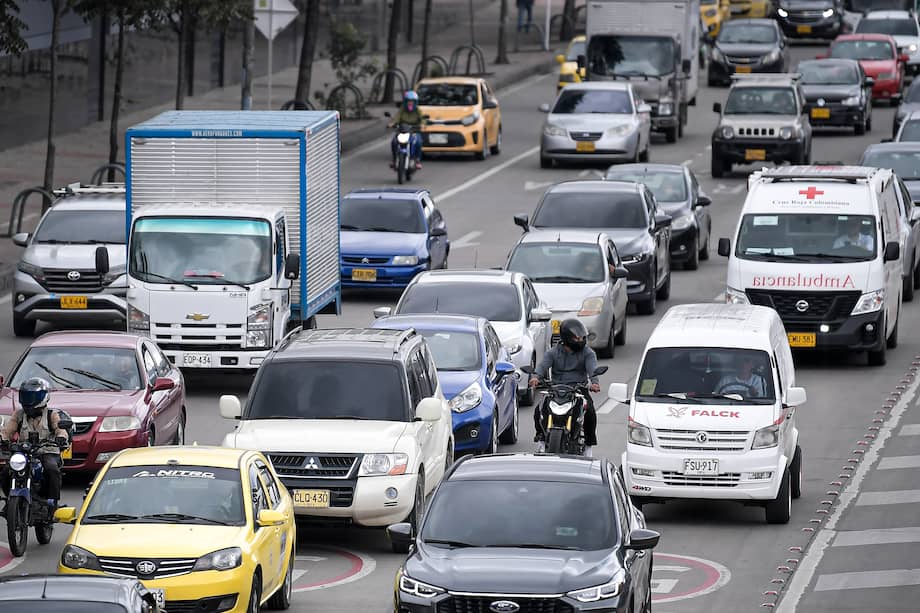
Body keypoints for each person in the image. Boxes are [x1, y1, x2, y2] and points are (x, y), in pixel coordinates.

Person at [529, 319, 601, 457]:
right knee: (539, 410)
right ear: (567, 338)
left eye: (582, 337)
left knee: (590, 412)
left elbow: (592, 369)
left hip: (579, 389)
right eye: (577, 338)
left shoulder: (588, 353)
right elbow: (543, 366)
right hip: (556, 389)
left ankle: (588, 446)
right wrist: (536, 377)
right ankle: (541, 439)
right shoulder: (553, 352)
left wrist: (594, 382)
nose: (580, 340)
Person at [0, 378, 69, 513]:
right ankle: (10, 500)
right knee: (7, 471)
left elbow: (60, 429)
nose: (28, 400)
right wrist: (3, 439)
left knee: (52, 470)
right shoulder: (19, 414)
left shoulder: (52, 415)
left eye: (31, 396)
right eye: (25, 396)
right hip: (24, 452)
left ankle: (53, 504)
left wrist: (61, 437)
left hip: (47, 451)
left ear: (43, 398)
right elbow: (7, 431)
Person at [389, 90, 426, 170]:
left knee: (418, 142)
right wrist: (392, 123)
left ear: (415, 102)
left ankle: (417, 160)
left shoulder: (418, 110)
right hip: (402, 130)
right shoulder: (402, 109)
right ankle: (394, 160)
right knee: (394, 142)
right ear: (405, 102)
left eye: (412, 101)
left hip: (414, 130)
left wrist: (422, 124)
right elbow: (397, 117)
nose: (410, 103)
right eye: (408, 101)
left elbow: (422, 119)